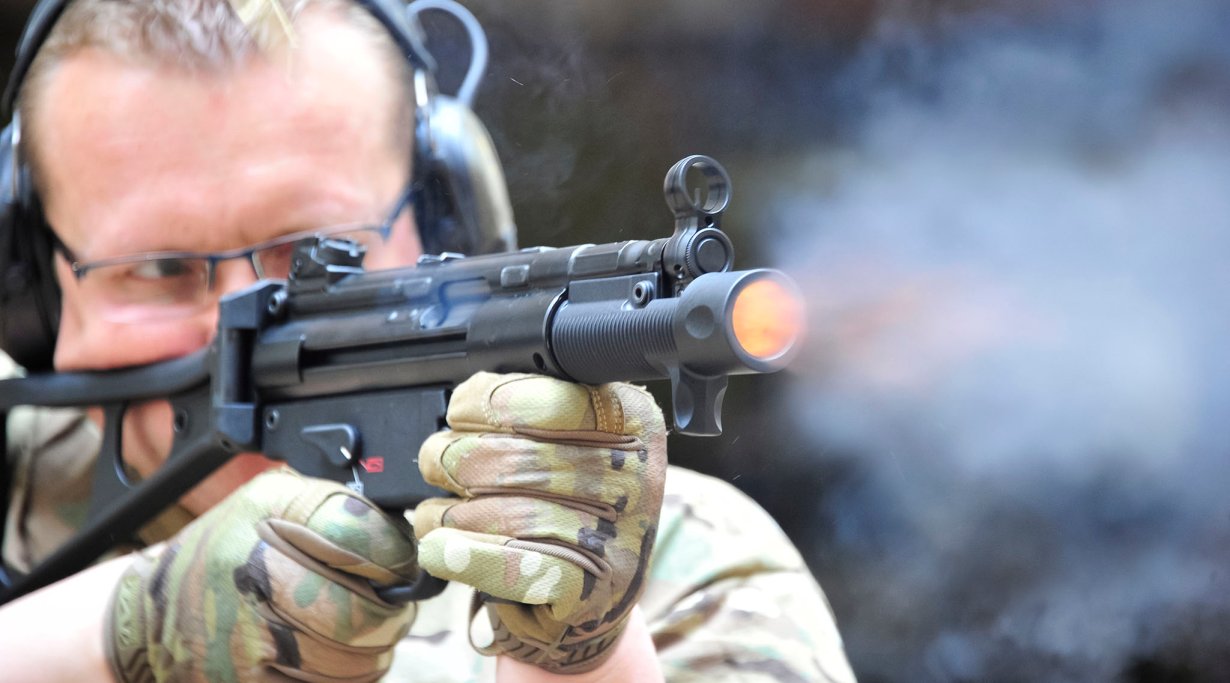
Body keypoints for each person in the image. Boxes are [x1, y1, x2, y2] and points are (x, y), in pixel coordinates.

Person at [0, 0, 858, 680]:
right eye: (158, 270)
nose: (245, 316)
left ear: (447, 221)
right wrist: (122, 632)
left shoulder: (691, 563)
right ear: (34, 289)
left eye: (313, 254)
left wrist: (583, 657)